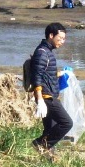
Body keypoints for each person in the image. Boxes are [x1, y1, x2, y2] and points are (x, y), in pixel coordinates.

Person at [31, 23, 72, 154]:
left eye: (64, 39)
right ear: (51, 35)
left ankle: (46, 155)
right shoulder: (42, 53)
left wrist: (60, 74)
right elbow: (36, 77)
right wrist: (40, 99)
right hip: (47, 97)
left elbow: (45, 73)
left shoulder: (46, 52)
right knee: (66, 123)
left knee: (50, 128)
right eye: (60, 38)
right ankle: (40, 144)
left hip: (49, 95)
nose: (62, 42)